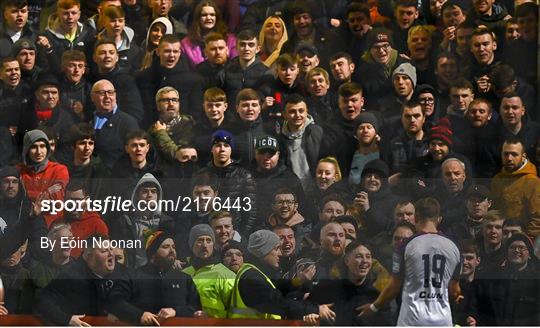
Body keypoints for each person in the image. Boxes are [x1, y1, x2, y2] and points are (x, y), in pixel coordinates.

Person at [358, 197, 461, 326]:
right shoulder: (454, 248)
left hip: (412, 320)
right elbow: (454, 291)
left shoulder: (405, 246)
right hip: (442, 321)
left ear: (416, 217)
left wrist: (374, 307)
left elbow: (394, 286)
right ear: (439, 219)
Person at [229, 229, 334, 321]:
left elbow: (276, 288)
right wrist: (315, 309)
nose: (280, 253)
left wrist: (299, 285)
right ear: (263, 251)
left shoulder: (255, 272)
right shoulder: (251, 277)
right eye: (276, 249)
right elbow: (279, 302)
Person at [108, 231, 203, 325]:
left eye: (173, 247)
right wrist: (139, 315)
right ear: (152, 252)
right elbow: (114, 301)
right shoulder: (133, 276)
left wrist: (176, 311)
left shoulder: (184, 278)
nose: (172, 250)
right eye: (165, 247)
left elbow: (196, 306)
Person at [33, 235, 120, 326]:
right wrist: (67, 319)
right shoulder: (70, 275)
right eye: (104, 251)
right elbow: (42, 301)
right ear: (88, 255)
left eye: (111, 249)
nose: (111, 254)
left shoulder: (120, 273)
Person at [17, 129, 69, 228]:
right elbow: (14, 197)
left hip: (53, 226)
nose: (39, 151)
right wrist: (47, 192)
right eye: (34, 147)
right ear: (26, 149)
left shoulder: (59, 169)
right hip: (25, 224)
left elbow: (57, 200)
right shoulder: (18, 170)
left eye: (42, 146)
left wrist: (25, 195)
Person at [182, 224, 236, 318]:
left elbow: (236, 311)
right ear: (191, 245)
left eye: (209, 240)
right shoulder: (184, 273)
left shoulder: (224, 274)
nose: (205, 245)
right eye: (200, 240)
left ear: (213, 245)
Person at [490, 137, 540, 238]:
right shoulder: (497, 179)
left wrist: (527, 241)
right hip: (500, 237)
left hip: (522, 239)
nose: (509, 158)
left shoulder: (533, 182)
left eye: (514, 154)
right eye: (506, 154)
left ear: (523, 156)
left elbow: (537, 218)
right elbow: (494, 212)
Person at [91, 79, 139, 168]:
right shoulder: (88, 119)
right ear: (92, 97)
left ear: (115, 96)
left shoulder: (128, 122)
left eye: (110, 92)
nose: (107, 96)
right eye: (102, 93)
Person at [180, 0, 237, 69]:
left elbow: (235, 66)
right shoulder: (186, 43)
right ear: (198, 18)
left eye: (212, 15)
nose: (209, 18)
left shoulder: (230, 40)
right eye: (204, 15)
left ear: (217, 17)